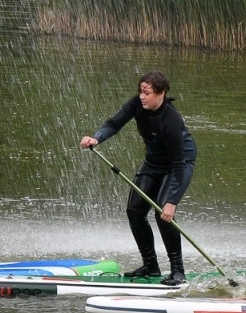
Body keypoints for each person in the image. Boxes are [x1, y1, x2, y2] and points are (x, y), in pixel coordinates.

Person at [80, 72, 194, 285]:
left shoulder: (171, 119)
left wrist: (171, 203)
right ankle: (150, 266)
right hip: (153, 162)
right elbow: (114, 124)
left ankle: (178, 271)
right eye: (141, 91)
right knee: (134, 210)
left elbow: (178, 164)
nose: (142, 96)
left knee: (163, 212)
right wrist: (96, 138)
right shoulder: (136, 104)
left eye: (147, 93)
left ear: (161, 94)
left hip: (178, 164)